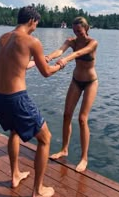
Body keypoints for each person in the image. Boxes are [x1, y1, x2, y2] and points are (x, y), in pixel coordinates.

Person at [0, 6, 65, 197]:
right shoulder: (32, 41)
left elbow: (13, 65)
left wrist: (40, 60)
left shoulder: (3, 39)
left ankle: (15, 175)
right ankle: (38, 190)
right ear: (32, 20)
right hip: (15, 99)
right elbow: (46, 72)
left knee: (14, 132)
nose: (36, 28)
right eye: (36, 24)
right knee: (45, 138)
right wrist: (59, 65)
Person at [46, 16, 98, 172]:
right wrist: (48, 57)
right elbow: (60, 50)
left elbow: (78, 54)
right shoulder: (72, 41)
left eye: (80, 31)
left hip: (90, 82)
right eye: (75, 31)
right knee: (67, 115)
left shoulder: (92, 43)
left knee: (82, 119)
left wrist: (64, 60)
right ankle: (64, 149)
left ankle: (84, 158)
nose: (77, 34)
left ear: (86, 29)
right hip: (76, 80)